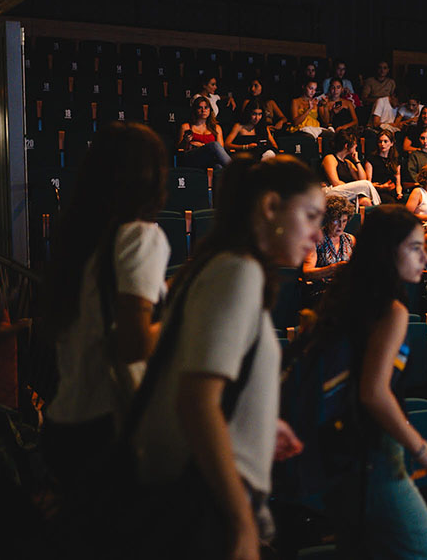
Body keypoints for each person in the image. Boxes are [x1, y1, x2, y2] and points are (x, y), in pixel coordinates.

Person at [132, 154, 323, 557]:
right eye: (310, 216)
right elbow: (196, 401)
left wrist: (257, 422)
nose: (318, 236)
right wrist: (240, 522)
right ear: (271, 207)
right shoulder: (238, 272)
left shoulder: (216, 265)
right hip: (206, 501)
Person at [315, 205, 427, 558]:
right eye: (414, 248)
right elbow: (374, 393)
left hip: (338, 452)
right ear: (388, 251)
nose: (425, 257)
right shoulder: (392, 310)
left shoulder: (348, 295)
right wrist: (422, 449)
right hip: (374, 454)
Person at [43, 123, 170, 487]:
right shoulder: (140, 236)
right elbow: (132, 345)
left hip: (63, 425)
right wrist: (182, 313)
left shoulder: (79, 242)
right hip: (107, 428)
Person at [301, 194, 355, 298]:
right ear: (328, 219)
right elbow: (307, 273)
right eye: (336, 221)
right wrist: (332, 268)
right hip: (322, 293)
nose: (341, 226)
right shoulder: (316, 240)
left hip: (347, 291)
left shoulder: (350, 240)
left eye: (344, 221)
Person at [321, 130, 381, 207]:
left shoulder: (348, 162)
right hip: (330, 192)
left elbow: (362, 179)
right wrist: (355, 188)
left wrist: (357, 161)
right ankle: (379, 207)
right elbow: (335, 183)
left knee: (366, 201)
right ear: (346, 146)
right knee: (366, 184)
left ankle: (375, 210)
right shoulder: (330, 158)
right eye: (354, 143)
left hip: (345, 193)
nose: (356, 145)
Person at [178, 96, 230, 169]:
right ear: (195, 110)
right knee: (214, 145)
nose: (203, 110)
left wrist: (203, 146)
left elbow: (221, 149)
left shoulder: (216, 127)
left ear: (210, 110)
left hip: (210, 159)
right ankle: (235, 170)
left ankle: (234, 174)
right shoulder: (186, 126)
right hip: (192, 158)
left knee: (219, 166)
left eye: (206, 107)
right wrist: (186, 141)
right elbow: (180, 149)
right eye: (200, 108)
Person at [365, 130, 403, 203]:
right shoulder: (371, 159)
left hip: (392, 191)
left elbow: (398, 183)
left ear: (391, 143)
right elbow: (368, 183)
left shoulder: (395, 160)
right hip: (378, 191)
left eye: (385, 141)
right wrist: (382, 187)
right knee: (390, 202)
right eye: (380, 142)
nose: (382, 144)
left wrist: (399, 193)